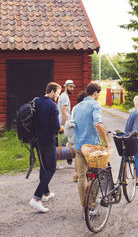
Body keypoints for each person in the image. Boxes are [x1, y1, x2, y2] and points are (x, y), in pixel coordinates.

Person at [73, 82, 109, 210]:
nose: (98, 96)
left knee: (82, 176)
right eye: (98, 94)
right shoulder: (95, 105)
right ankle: (92, 204)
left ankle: (85, 206)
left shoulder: (77, 107)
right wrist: (106, 143)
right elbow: (98, 124)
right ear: (95, 93)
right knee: (96, 174)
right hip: (92, 147)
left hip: (79, 146)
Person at [29, 82, 64, 213]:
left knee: (44, 167)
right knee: (51, 169)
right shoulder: (52, 106)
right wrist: (64, 128)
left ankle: (46, 193)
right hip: (48, 141)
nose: (58, 96)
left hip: (37, 141)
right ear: (53, 91)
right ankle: (36, 198)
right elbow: (56, 127)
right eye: (58, 93)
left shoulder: (37, 101)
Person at [57, 79, 75, 169]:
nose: (72, 88)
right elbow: (64, 112)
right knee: (66, 143)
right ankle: (68, 162)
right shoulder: (64, 97)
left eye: (73, 87)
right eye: (70, 87)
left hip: (63, 122)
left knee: (64, 143)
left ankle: (69, 161)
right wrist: (65, 125)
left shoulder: (64, 96)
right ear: (66, 87)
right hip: (63, 123)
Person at [70, 90, 86, 182]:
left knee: (77, 155)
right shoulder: (87, 108)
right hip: (85, 133)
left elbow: (72, 120)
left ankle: (76, 174)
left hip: (77, 133)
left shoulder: (75, 108)